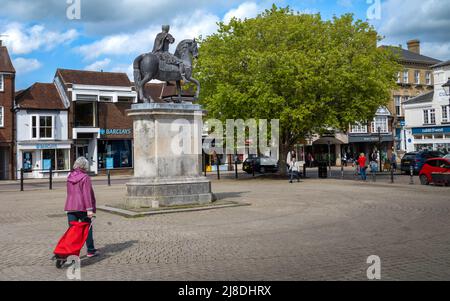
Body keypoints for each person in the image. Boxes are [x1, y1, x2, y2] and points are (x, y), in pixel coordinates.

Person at [64, 157, 99, 258]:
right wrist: (89, 209)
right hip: (82, 207)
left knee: (72, 232)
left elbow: (69, 193)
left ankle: (72, 252)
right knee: (87, 229)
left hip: (70, 207)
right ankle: (91, 251)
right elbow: (86, 194)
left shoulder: (69, 176)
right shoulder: (85, 177)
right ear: (85, 166)